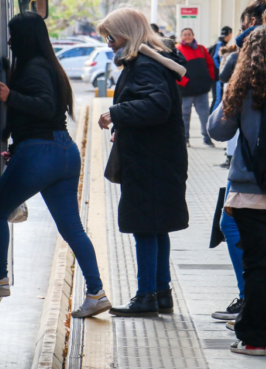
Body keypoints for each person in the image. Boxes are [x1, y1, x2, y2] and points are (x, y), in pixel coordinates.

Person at [0, 12, 111, 318]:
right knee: (72, 229)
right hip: (63, 150)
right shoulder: (50, 65)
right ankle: (96, 292)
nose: (9, 41)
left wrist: (11, 95)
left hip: (40, 152)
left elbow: (45, 105)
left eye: (12, 35)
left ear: (24, 37)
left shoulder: (33, 67)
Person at [96, 7, 189, 317]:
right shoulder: (152, 61)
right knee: (156, 226)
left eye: (110, 35)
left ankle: (146, 295)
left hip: (149, 161)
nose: (108, 42)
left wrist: (117, 114)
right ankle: (161, 292)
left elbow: (156, 105)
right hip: (159, 157)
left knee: (145, 228)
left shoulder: (144, 65)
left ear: (127, 32)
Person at [208, 25, 266, 357]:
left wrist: (230, 89)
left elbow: (218, 130)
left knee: (257, 267)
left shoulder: (245, 86)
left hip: (251, 193)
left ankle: (253, 340)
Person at [176, 28, 215, 147]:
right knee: (184, 115)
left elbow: (210, 64)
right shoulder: (177, 50)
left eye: (189, 34)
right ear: (181, 36)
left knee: (205, 114)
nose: (187, 36)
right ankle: (185, 139)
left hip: (202, 90)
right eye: (185, 35)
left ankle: (207, 138)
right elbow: (175, 69)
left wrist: (210, 79)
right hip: (186, 91)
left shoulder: (201, 49)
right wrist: (185, 82)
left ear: (193, 35)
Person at [209, 26, 233, 112]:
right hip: (217, 77)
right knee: (218, 99)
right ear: (229, 34)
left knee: (218, 98)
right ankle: (212, 120)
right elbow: (215, 58)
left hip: (217, 76)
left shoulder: (219, 42)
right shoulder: (219, 44)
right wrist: (222, 70)